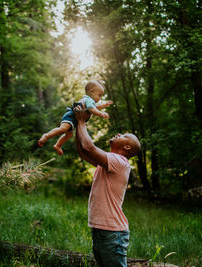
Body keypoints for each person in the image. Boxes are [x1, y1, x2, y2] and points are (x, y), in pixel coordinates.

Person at [74, 103, 141, 267]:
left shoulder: (120, 162)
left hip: (112, 233)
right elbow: (82, 151)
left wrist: (82, 122)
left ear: (126, 147)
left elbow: (89, 147)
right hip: (103, 230)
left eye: (124, 135)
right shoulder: (109, 162)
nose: (119, 134)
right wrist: (77, 123)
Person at [38, 80, 113, 155]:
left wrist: (104, 105)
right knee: (63, 129)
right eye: (99, 95)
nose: (100, 98)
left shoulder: (89, 101)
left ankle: (58, 145)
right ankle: (46, 136)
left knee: (69, 135)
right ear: (92, 92)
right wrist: (101, 114)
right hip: (71, 117)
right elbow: (92, 109)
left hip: (74, 119)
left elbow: (95, 107)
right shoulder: (88, 100)